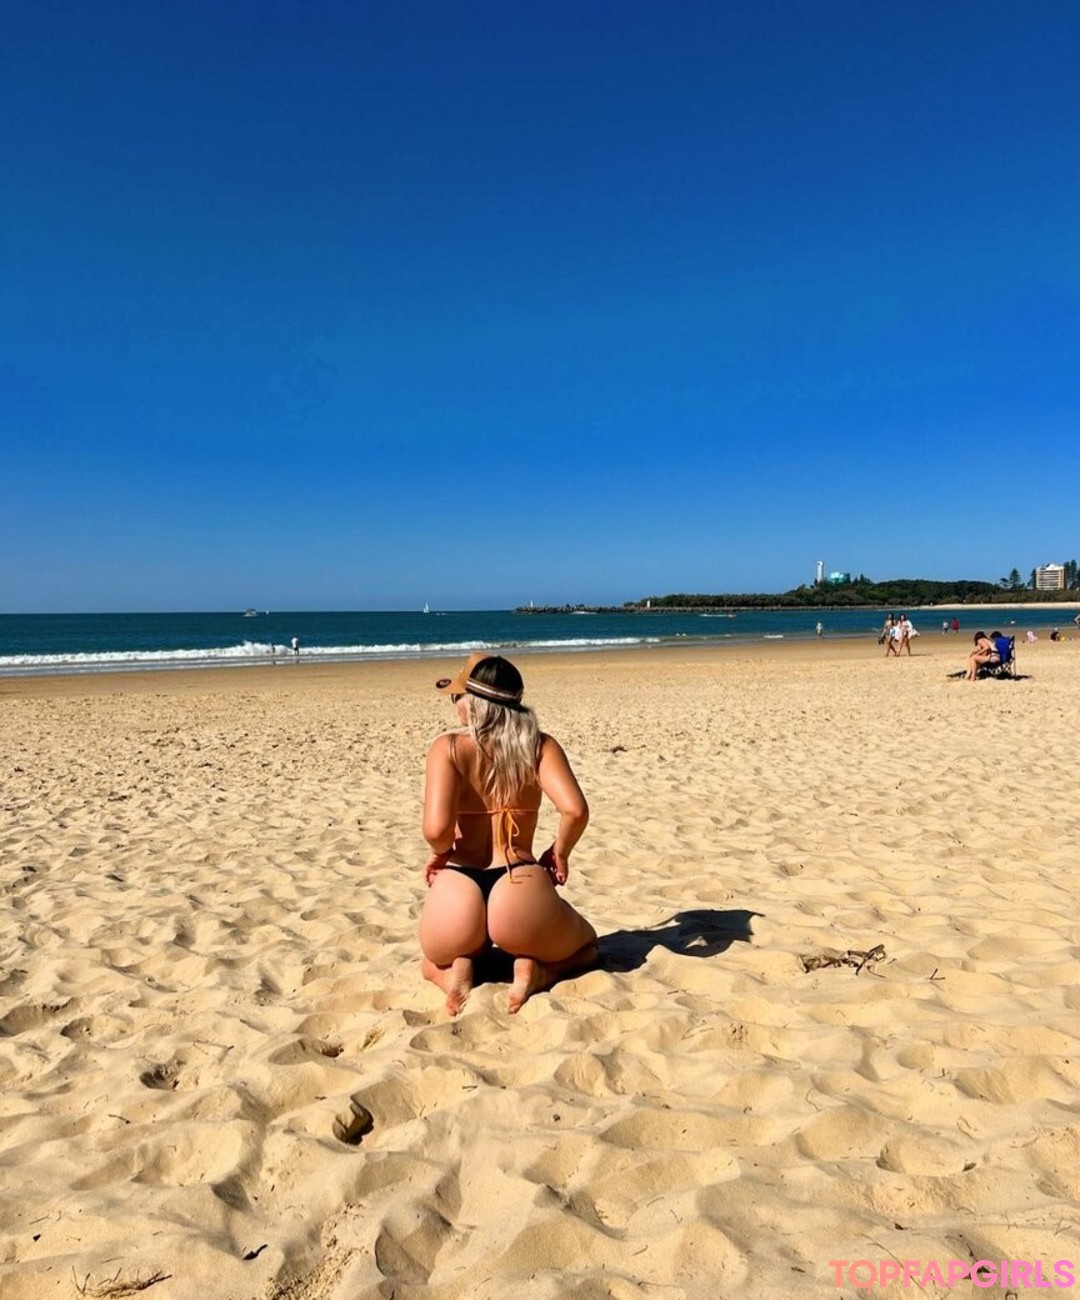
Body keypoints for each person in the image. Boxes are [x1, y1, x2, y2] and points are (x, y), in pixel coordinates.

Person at [419, 653, 598, 1016]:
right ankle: (537, 970)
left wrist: (443, 852)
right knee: (588, 948)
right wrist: (560, 852)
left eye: (458, 696)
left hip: (458, 887)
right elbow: (575, 811)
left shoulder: (448, 748)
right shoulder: (539, 746)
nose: (454, 704)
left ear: (475, 703)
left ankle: (455, 971)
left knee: (428, 963)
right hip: (519, 886)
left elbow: (436, 830)